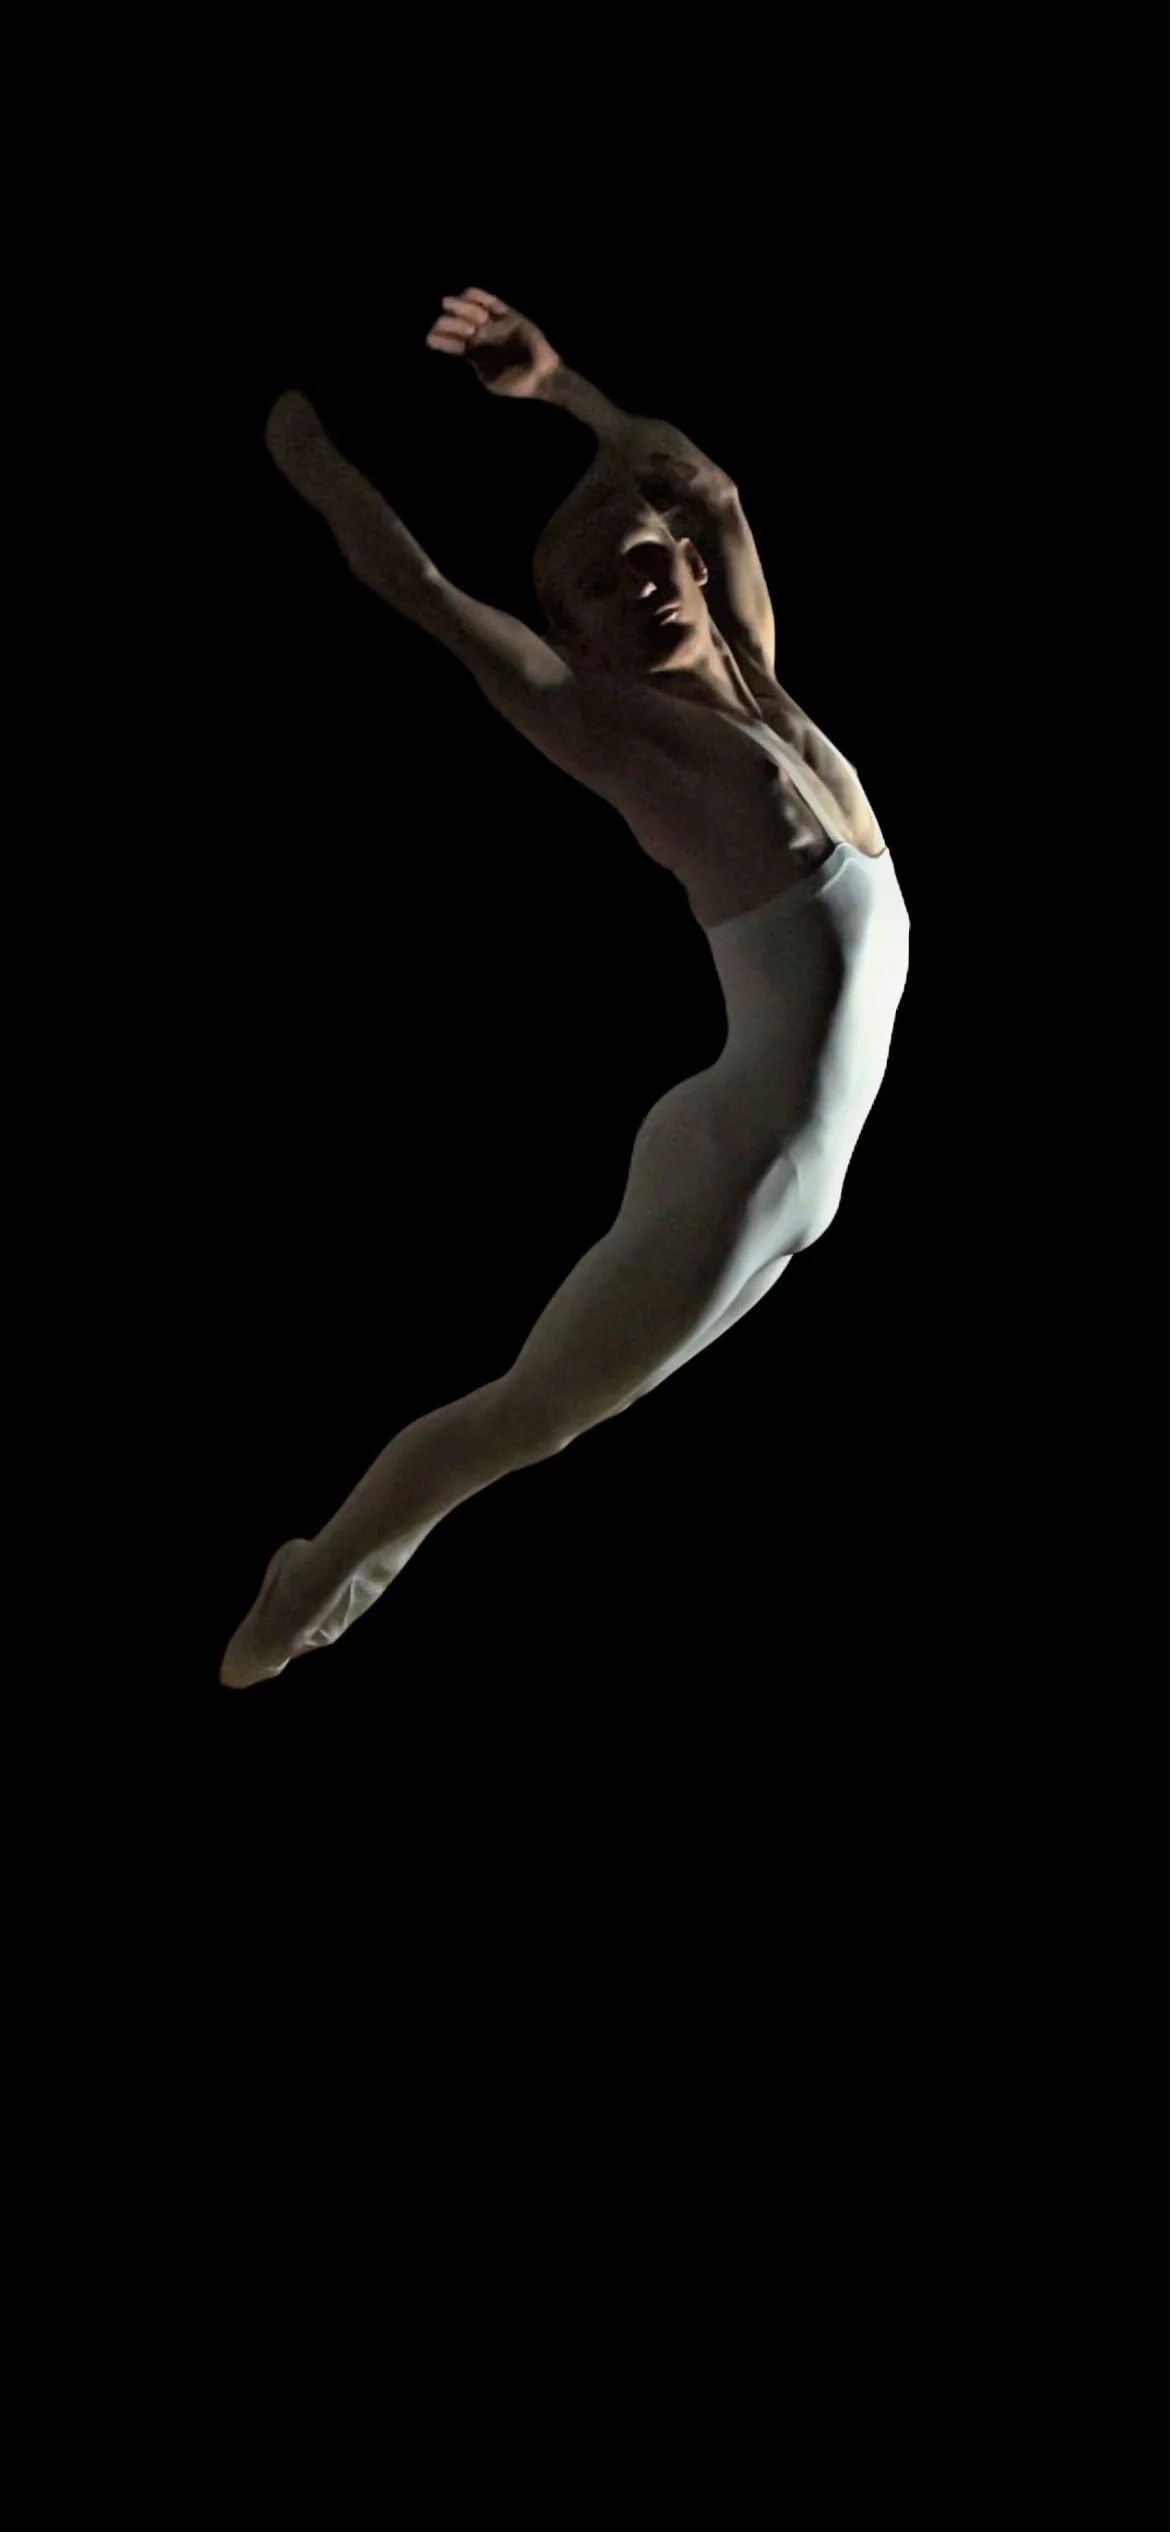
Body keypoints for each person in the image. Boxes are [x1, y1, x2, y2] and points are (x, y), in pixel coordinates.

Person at [219, 288, 911, 1688]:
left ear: (695, 573)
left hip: (790, 1170)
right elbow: (424, 596)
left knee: (560, 1416)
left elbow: (697, 480)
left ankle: (349, 1562)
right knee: (532, 1417)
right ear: (581, 640)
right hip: (740, 1162)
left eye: (645, 560)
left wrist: (562, 392)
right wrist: (307, 456)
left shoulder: (770, 700)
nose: (637, 586)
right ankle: (316, 1573)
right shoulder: (620, 734)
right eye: (596, 590)